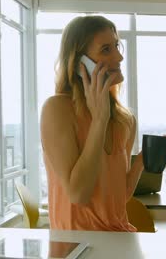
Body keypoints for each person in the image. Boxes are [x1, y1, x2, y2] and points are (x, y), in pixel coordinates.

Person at [40, 16, 144, 232]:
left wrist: (143, 160)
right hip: (77, 245)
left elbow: (119, 196)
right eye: (106, 49)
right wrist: (99, 120)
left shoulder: (125, 120)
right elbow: (79, 194)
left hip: (120, 238)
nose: (119, 57)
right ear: (80, 65)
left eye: (116, 45)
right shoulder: (56, 109)